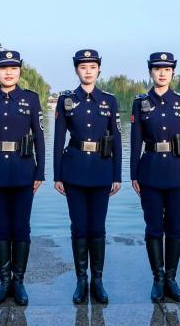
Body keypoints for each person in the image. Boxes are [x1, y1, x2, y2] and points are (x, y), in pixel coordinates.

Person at [0, 50, 45, 306]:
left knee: (21, 228)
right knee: (0, 229)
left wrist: (40, 172)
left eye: (13, 68)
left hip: (24, 170)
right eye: (3, 68)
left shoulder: (30, 99)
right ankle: (4, 282)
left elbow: (39, 137)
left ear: (19, 71)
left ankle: (19, 282)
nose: (8, 72)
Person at [53, 49, 122, 304]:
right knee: (79, 227)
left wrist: (117, 175)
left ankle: (98, 281)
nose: (88, 71)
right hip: (74, 170)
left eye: (92, 67)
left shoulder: (109, 100)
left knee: (98, 228)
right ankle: (81, 280)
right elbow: (58, 138)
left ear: (99, 70)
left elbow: (117, 139)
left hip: (102, 170)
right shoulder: (67, 100)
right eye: (83, 67)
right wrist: (57, 175)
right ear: (76, 70)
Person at [130, 52, 180, 303]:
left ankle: (171, 278)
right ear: (150, 72)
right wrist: (134, 174)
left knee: (175, 227)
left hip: (179, 172)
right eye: (157, 69)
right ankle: (158, 278)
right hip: (150, 172)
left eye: (167, 69)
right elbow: (135, 141)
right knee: (153, 227)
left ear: (172, 73)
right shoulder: (140, 102)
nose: (162, 73)